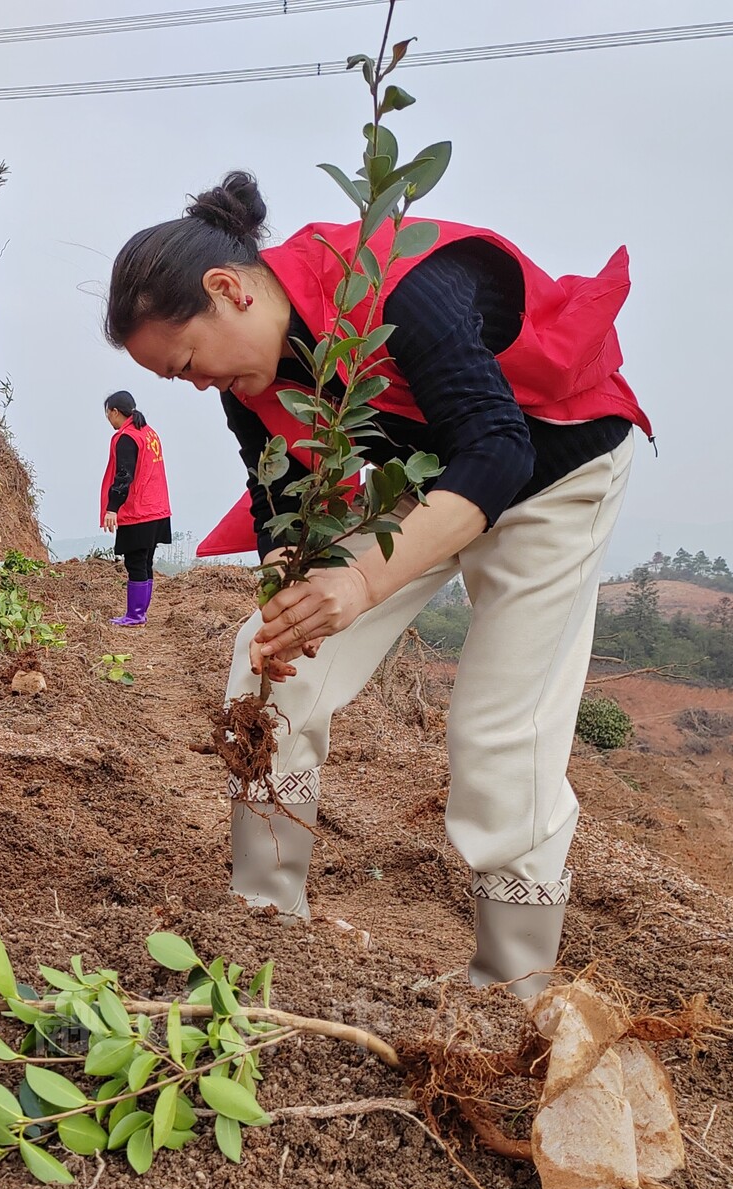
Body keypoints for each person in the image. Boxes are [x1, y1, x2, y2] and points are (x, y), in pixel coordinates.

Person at [105, 173, 650, 998]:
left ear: (230, 291)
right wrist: (293, 587)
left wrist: (359, 581)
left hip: (551, 470)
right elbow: (282, 496)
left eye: (188, 363)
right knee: (267, 656)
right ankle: (262, 921)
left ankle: (513, 988)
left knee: (502, 735)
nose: (198, 386)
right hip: (425, 482)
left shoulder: (405, 284)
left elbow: (497, 450)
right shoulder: (252, 379)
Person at [99, 390, 173, 626]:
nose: (108, 419)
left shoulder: (127, 438)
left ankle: (135, 615)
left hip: (138, 512)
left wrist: (112, 508)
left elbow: (124, 476)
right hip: (158, 509)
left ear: (115, 412)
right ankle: (140, 612)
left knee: (135, 563)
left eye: (108, 414)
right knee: (145, 561)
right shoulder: (149, 433)